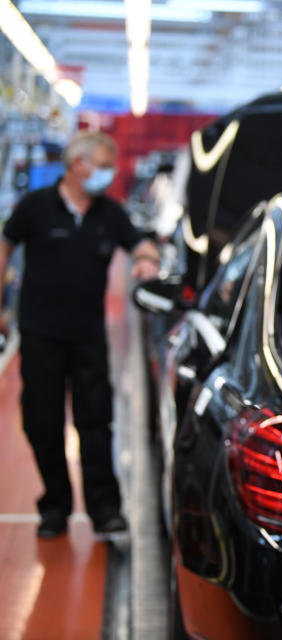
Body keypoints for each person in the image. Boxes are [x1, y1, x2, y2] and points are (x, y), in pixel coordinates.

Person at [0, 131, 161, 538]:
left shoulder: (110, 213)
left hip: (88, 335)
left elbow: (139, 242)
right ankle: (54, 506)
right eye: (104, 165)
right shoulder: (36, 207)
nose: (107, 174)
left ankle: (105, 509)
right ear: (78, 165)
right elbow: (4, 247)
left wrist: (146, 260)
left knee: (95, 421)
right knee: (42, 421)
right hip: (40, 335)